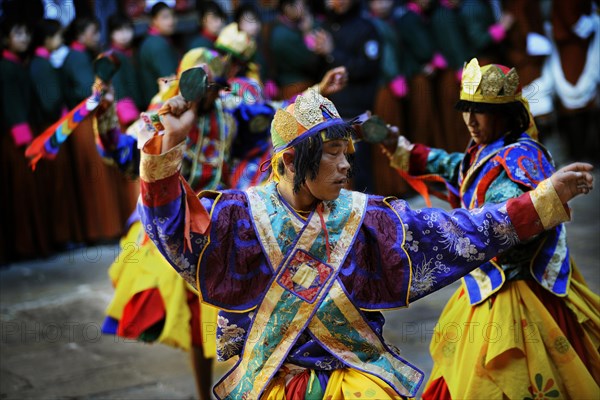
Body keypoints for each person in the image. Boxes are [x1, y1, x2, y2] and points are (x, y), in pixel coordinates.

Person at [138, 81, 593, 398]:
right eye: (332, 154)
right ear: (293, 161)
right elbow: (177, 233)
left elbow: (452, 231)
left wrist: (539, 202)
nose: (345, 167)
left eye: (346, 153)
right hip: (272, 382)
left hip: (355, 378)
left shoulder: (365, 217)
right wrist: (164, 154)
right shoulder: (241, 216)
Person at [389, 58, 600, 399]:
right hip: (487, 284)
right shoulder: (488, 149)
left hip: (515, 292)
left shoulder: (520, 160)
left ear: (505, 114)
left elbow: (513, 223)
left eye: (481, 111)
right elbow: (457, 167)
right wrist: (403, 149)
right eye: (466, 109)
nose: (470, 121)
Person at [138, 1, 179, 108]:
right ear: (153, 21)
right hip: (162, 106)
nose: (171, 21)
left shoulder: (152, 40)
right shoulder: (158, 44)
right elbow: (170, 81)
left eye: (173, 16)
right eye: (165, 17)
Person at [106, 13, 142, 128]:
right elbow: (118, 90)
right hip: (127, 116)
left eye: (127, 29)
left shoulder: (131, 52)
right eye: (119, 30)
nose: (124, 35)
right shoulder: (112, 56)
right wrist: (131, 117)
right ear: (111, 33)